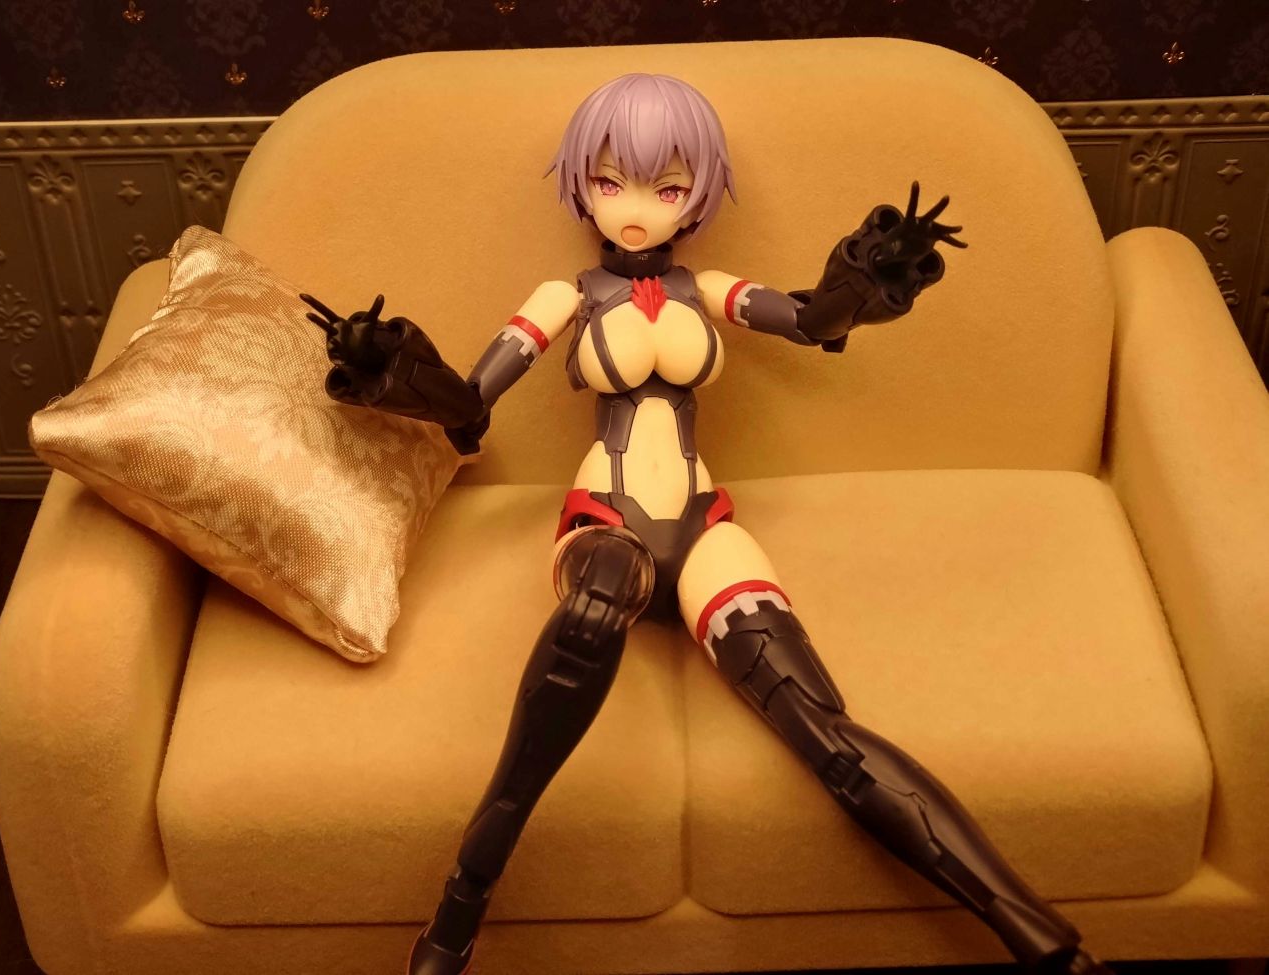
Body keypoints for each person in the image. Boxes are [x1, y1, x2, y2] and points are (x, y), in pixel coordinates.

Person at [301, 72, 1112, 975]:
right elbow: (470, 400)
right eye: (610, 181)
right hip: (607, 522)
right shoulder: (564, 296)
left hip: (702, 524)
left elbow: (810, 319)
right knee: (594, 611)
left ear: (698, 193)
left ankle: (1043, 942)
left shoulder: (708, 288)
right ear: (581, 185)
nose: (635, 207)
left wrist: (870, 275)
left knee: (820, 725)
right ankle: (458, 909)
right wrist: (392, 368)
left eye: (666, 185)